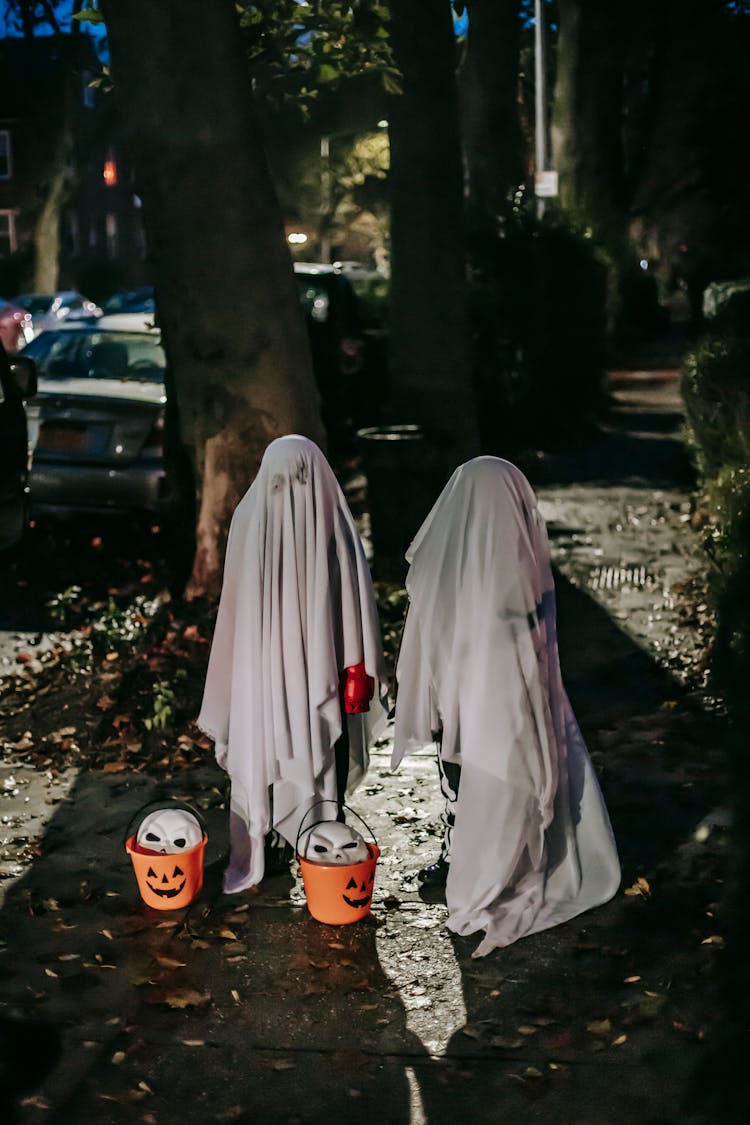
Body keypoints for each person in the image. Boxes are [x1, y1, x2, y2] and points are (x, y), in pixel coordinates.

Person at [392, 456, 620, 956]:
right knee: (499, 783)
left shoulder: (449, 556)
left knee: (477, 783)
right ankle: (492, 867)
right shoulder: (514, 555)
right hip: (502, 699)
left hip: (468, 699)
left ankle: (479, 870)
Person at [198, 434, 388, 893]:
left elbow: (352, 605)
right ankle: (313, 845)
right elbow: (358, 613)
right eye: (286, 480)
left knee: (277, 746)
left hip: (269, 680)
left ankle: (307, 847)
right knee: (316, 754)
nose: (294, 489)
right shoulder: (330, 519)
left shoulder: (255, 517)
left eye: (300, 478)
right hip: (303, 677)